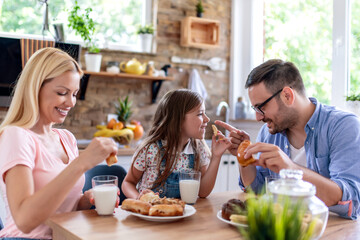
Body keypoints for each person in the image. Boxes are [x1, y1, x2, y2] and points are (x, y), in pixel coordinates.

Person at [216, 59, 360, 219]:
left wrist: (291, 168)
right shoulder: (269, 132)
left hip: (330, 230)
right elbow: (259, 192)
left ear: (287, 96)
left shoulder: (342, 126)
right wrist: (244, 159)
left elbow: (352, 200)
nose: (258, 117)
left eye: (261, 107)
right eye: (255, 109)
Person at [0, 47, 118, 239]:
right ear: (35, 88)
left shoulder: (66, 138)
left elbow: (67, 207)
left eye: (74, 94)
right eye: (62, 92)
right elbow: (24, 220)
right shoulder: (16, 136)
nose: (71, 103)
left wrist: (86, 199)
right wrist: (82, 163)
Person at [122, 89, 231, 199]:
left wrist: (216, 157)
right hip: (150, 214)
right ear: (178, 119)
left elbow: (203, 192)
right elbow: (128, 183)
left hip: (181, 213)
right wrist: (138, 198)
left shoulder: (198, 149)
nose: (207, 119)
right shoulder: (151, 149)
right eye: (200, 114)